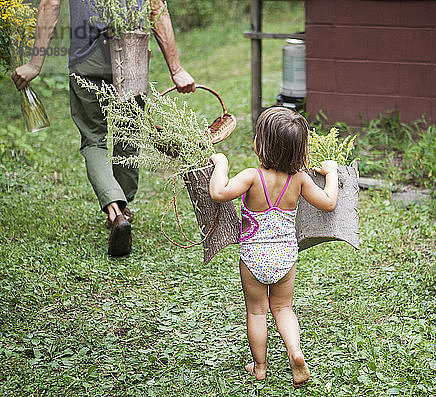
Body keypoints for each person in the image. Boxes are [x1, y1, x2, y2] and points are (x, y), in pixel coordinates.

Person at [11, 0, 195, 256]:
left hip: (85, 60)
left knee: (93, 140)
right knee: (128, 136)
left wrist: (35, 64)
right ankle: (123, 207)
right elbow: (157, 7)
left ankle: (115, 210)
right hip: (132, 55)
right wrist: (176, 69)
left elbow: (50, 4)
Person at [208, 107, 339, 387]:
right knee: (283, 308)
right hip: (285, 257)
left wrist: (221, 164)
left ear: (260, 145)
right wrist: (332, 173)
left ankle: (259, 366)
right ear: (300, 151)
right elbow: (329, 202)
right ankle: (295, 351)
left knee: (257, 311)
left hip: (253, 257)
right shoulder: (300, 179)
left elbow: (218, 193)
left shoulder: (251, 177)